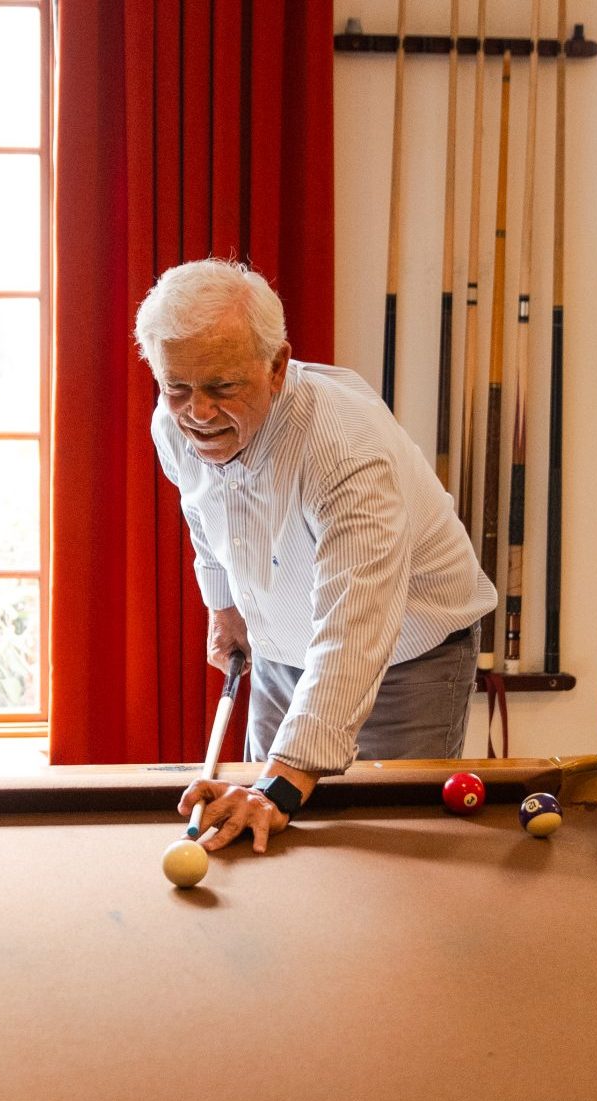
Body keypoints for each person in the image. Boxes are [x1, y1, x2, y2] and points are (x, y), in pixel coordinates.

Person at [140, 260, 496, 854]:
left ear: (276, 367)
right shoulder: (173, 423)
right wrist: (223, 607)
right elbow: (203, 510)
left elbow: (357, 624)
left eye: (224, 388)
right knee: (262, 836)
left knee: (386, 854)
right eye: (177, 386)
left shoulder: (343, 445)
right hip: (281, 640)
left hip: (409, 652)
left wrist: (286, 777)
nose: (197, 413)